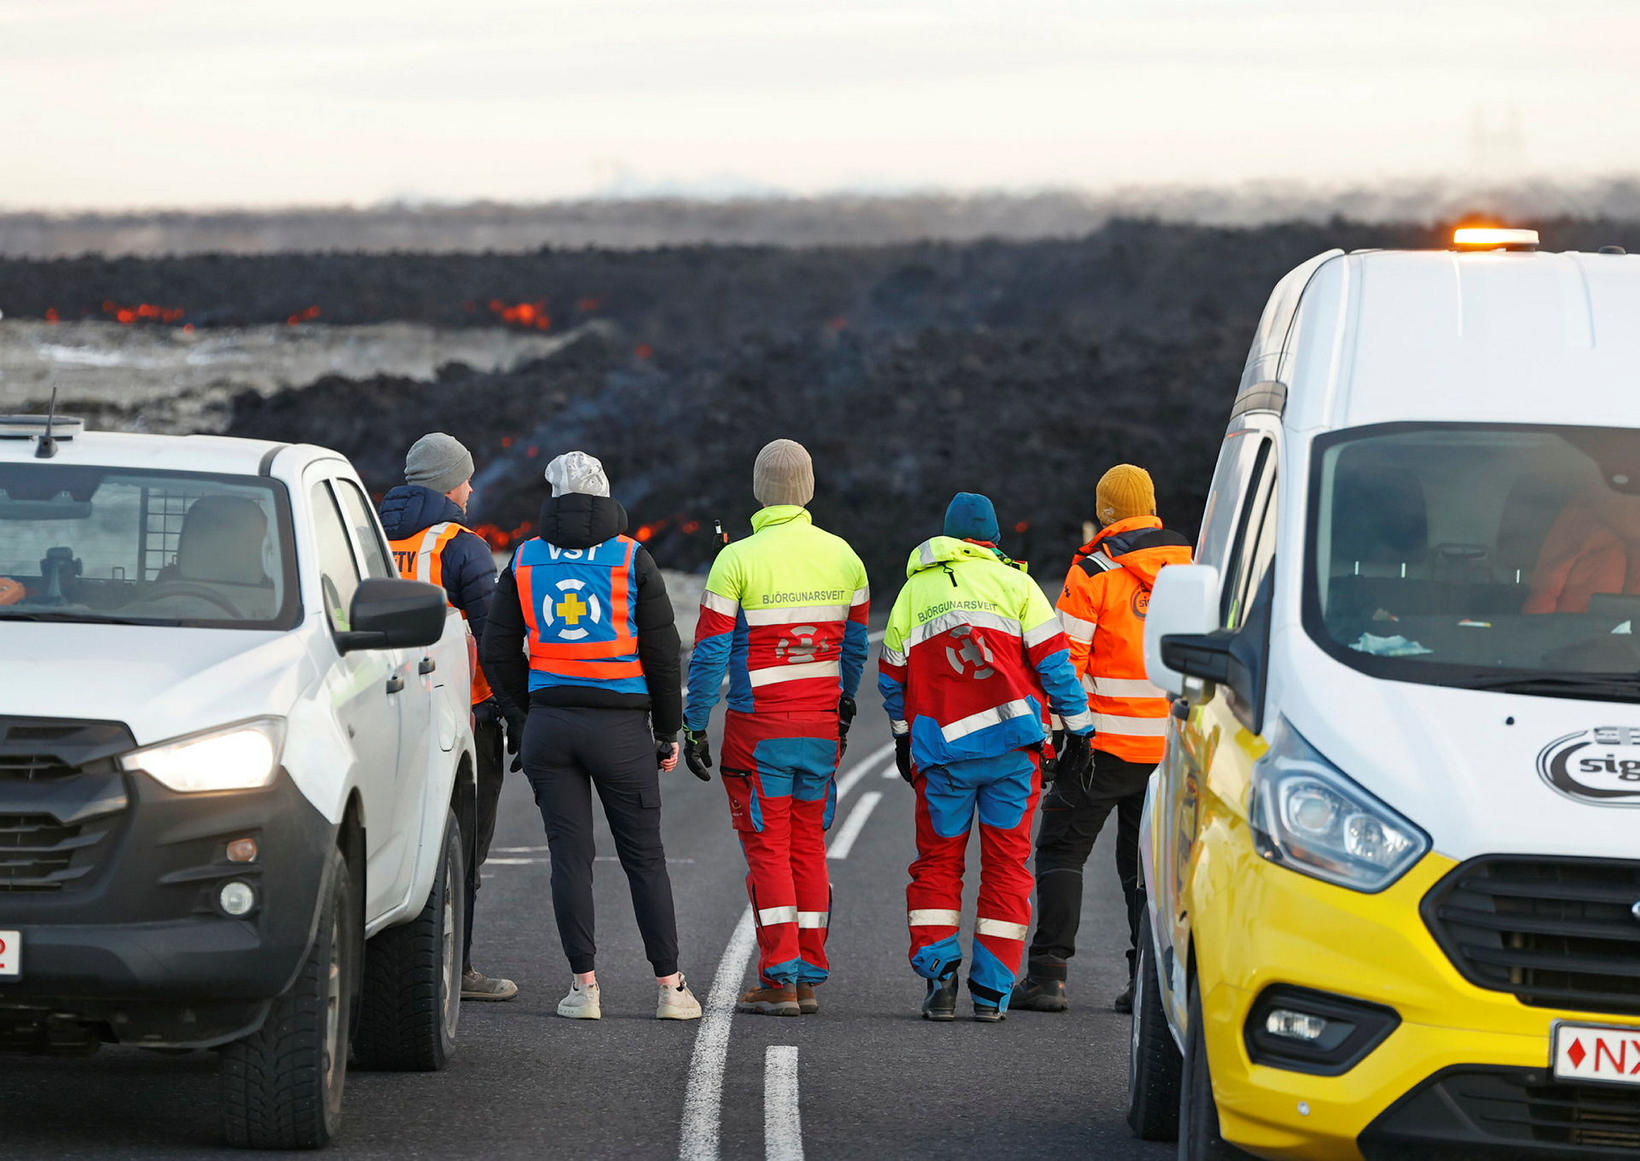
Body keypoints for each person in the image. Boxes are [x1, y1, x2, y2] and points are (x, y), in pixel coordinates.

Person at [480, 451, 701, 1021]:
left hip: (551, 727)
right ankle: (671, 990)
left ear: (551, 498)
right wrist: (668, 730)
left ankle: (584, 989)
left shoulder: (525, 559)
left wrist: (521, 718)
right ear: (604, 495)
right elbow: (661, 653)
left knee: (569, 858)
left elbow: (497, 647)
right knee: (644, 859)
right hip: (622, 729)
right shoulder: (631, 557)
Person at [878, 492, 1095, 1022]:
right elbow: (1056, 667)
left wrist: (905, 736)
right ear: (993, 539)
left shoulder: (913, 592)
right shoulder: (1019, 586)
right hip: (1012, 756)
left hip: (943, 760)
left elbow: (891, 676)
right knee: (1007, 868)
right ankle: (994, 993)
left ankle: (940, 980)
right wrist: (1080, 729)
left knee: (937, 867)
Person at [683, 439, 870, 1017]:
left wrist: (693, 725)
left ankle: (778, 978)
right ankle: (809, 976)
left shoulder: (737, 558)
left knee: (768, 851)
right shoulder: (845, 557)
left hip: (756, 729)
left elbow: (711, 654)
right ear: (808, 490)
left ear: (760, 491)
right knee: (809, 846)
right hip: (819, 727)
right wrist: (840, 708)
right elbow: (855, 650)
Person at [1013, 464, 1193, 1015]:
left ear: (1107, 512)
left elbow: (1062, 665)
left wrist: (1052, 738)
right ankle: (1146, 981)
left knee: (1062, 850)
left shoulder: (1093, 571)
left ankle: (1048, 976)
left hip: (1100, 746)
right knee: (1145, 867)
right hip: (1168, 749)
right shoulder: (1194, 566)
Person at [380, 432, 520, 1002]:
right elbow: (493, 639)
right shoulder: (461, 545)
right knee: (463, 850)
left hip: (383, 712)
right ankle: (455, 973)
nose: (469, 488)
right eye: (464, 478)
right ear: (447, 483)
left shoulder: (364, 535)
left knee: (392, 846)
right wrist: (515, 713)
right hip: (463, 717)